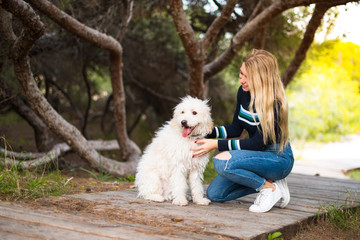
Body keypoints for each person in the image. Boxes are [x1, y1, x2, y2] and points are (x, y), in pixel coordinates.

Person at [191, 49, 294, 213]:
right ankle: (273, 182)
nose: (241, 79)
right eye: (241, 73)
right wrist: (203, 131)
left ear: (261, 79)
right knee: (215, 194)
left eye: (247, 76)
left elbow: (256, 143)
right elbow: (236, 128)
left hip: (277, 158)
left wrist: (215, 144)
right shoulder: (243, 93)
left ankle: (269, 188)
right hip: (254, 155)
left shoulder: (274, 103)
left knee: (221, 162)